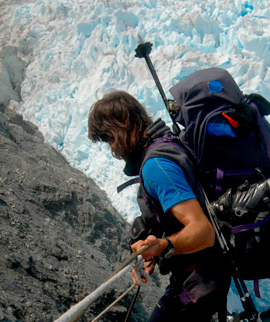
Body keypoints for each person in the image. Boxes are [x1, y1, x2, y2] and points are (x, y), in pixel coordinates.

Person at [87, 91, 230, 322]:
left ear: (121, 129)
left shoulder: (156, 166)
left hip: (198, 280)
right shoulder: (165, 147)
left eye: (109, 139)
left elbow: (203, 232)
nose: (112, 149)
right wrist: (151, 245)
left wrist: (164, 245)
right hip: (205, 277)